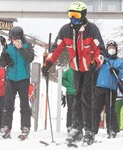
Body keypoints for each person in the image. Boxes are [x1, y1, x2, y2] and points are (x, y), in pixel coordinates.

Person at [41, 1, 105, 144]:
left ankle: (89, 130)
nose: (72, 19)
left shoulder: (91, 29)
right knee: (76, 98)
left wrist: (96, 62)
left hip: (89, 70)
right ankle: (76, 128)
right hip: (76, 69)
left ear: (83, 15)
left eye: (76, 15)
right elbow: (55, 49)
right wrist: (48, 64)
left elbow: (101, 49)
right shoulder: (66, 30)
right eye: (70, 15)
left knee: (86, 99)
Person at [0, 26, 34, 140]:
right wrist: (5, 55)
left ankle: (25, 127)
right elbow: (2, 63)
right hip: (10, 79)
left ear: (21, 37)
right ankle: (6, 127)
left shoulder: (27, 46)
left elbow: (30, 59)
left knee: (24, 104)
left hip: (23, 78)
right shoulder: (8, 47)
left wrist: (20, 48)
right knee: (8, 104)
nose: (14, 40)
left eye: (17, 38)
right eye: (13, 38)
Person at [93, 40, 123, 138]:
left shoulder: (119, 61)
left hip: (111, 88)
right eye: (109, 48)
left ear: (116, 49)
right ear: (106, 49)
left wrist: (117, 70)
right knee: (96, 109)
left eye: (113, 48)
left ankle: (112, 129)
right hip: (99, 87)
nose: (111, 50)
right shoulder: (103, 59)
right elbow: (94, 65)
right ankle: (93, 129)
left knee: (110, 109)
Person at [62, 66, 75, 135]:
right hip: (74, 93)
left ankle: (69, 125)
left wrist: (68, 85)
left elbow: (63, 80)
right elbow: (63, 79)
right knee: (75, 110)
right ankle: (72, 125)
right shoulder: (77, 71)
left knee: (70, 110)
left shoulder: (68, 71)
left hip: (70, 92)